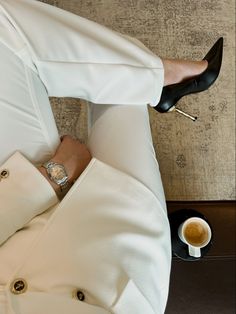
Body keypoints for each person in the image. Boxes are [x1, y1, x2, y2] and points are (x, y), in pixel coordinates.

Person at [0, 0, 223, 313]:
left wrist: (50, 177)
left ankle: (158, 79)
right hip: (116, 256)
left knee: (6, 32)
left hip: (11, 222)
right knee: (123, 84)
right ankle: (158, 80)